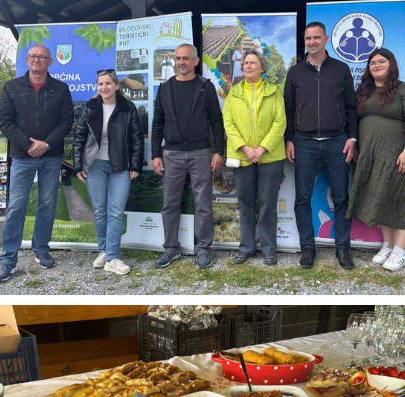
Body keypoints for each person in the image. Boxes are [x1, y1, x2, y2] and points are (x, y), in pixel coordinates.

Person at [0, 44, 74, 283]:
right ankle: (8, 258)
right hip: (22, 156)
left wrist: (46, 145)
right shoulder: (11, 87)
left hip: (51, 156)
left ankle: (41, 249)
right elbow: (5, 121)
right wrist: (29, 145)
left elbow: (66, 120)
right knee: (16, 206)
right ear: (27, 60)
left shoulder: (60, 89)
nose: (38, 60)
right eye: (33, 56)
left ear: (50, 62)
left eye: (43, 57)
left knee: (47, 204)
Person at [285, 21, 359, 269]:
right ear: (304, 41)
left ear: (326, 39)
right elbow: (289, 109)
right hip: (304, 142)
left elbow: (350, 107)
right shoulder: (295, 73)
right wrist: (289, 139)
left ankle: (343, 248)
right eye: (308, 38)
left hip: (337, 141)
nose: (312, 42)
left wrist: (352, 138)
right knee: (302, 198)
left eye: (316, 37)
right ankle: (307, 247)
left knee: (341, 197)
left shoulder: (341, 69)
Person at [150, 43, 226, 270]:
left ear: (195, 61)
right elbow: (157, 124)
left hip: (200, 153)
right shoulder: (164, 88)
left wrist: (218, 151)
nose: (181, 62)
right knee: (169, 204)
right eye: (178, 59)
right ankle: (171, 249)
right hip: (171, 154)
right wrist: (155, 154)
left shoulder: (206, 87)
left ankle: (204, 250)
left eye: (185, 58)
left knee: (203, 203)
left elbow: (216, 121)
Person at [348, 48, 405, 272]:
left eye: (382, 61)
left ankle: (400, 250)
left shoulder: (403, 89)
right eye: (372, 62)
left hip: (396, 155)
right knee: (381, 198)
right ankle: (388, 245)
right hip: (370, 156)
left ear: (391, 65)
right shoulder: (364, 90)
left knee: (397, 200)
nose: (377, 65)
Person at [72, 69, 143, 276]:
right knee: (100, 211)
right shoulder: (90, 107)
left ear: (117, 86)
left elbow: (137, 139)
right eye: (100, 84)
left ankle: (112, 257)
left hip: (120, 166)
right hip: (94, 166)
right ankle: (104, 250)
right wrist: (78, 166)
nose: (104, 87)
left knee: (116, 211)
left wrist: (135, 165)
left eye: (108, 84)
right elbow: (79, 138)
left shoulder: (128, 108)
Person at [222, 49, 286, 267]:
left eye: (252, 63)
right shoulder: (234, 92)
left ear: (262, 67)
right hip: (243, 155)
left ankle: (269, 250)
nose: (248, 66)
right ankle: (246, 248)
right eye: (246, 63)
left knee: (268, 204)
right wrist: (246, 148)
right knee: (246, 202)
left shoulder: (274, 91)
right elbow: (228, 122)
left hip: (270, 156)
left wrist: (262, 148)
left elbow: (280, 123)